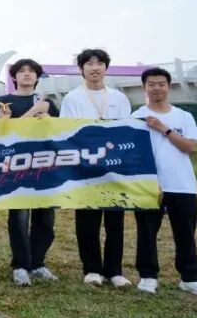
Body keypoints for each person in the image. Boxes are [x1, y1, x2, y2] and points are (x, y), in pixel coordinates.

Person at [131, 68, 197, 297]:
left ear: (169, 86)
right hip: (148, 185)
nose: (156, 88)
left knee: (185, 232)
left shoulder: (183, 116)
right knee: (146, 232)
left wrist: (163, 129)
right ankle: (148, 276)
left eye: (161, 84)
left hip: (181, 184)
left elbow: (191, 147)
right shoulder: (136, 116)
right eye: (151, 84)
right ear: (144, 87)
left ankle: (190, 278)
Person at [59, 48, 131, 288]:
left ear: (106, 68)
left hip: (114, 168)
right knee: (87, 221)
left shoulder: (119, 98)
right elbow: (68, 132)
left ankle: (114, 271)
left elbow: (126, 131)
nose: (95, 67)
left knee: (115, 221)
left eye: (99, 63)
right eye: (89, 63)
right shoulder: (73, 98)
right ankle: (91, 269)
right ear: (81, 69)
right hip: (85, 168)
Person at [0, 58, 60, 287]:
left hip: (45, 166)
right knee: (19, 219)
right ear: (14, 76)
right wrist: (34, 112)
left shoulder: (47, 102)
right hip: (16, 167)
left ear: (37, 76)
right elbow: (5, 133)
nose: (26, 74)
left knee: (46, 219)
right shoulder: (4, 101)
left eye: (32, 71)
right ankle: (21, 265)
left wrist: (48, 119)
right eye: (21, 71)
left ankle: (38, 262)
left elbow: (60, 133)